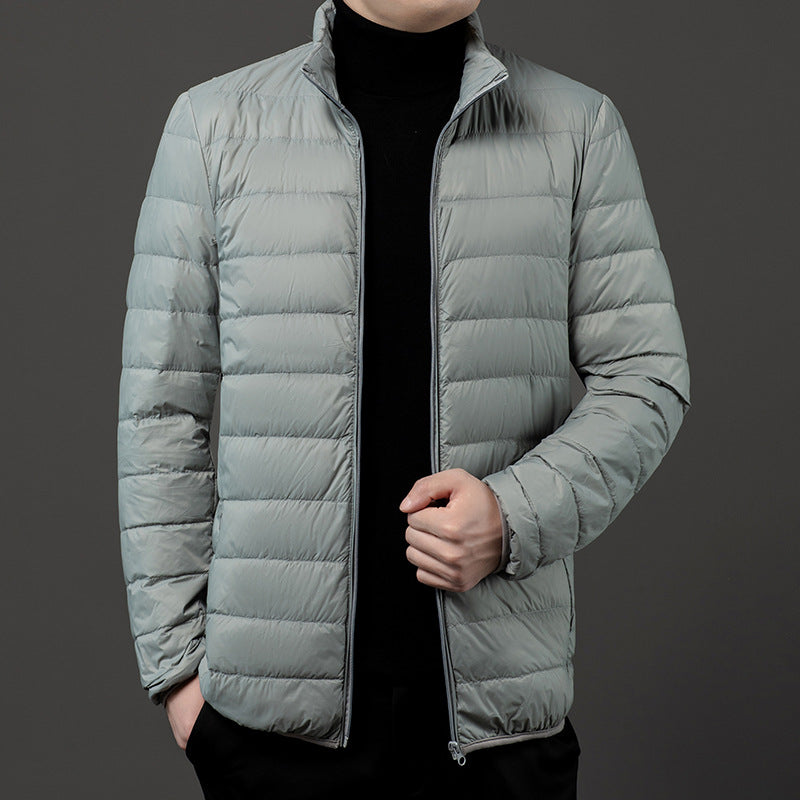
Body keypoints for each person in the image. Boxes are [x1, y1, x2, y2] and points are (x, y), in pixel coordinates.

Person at [117, 1, 691, 798]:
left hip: (497, 739)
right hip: (269, 743)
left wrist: (512, 515)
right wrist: (180, 676)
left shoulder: (578, 128)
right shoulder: (213, 128)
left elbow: (647, 377)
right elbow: (162, 412)